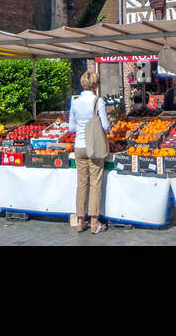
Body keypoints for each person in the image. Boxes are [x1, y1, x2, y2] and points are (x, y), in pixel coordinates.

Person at [68, 68, 111, 234]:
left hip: (78, 146)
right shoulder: (97, 101)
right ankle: (94, 222)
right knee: (95, 183)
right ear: (95, 85)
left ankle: (80, 221)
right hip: (94, 147)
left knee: (81, 184)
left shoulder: (75, 101)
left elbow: (71, 127)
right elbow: (106, 126)